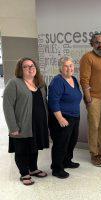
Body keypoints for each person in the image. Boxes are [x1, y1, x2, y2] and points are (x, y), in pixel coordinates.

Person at [3, 57, 49, 185]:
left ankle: (33, 169)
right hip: (22, 125)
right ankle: (24, 173)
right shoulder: (14, 83)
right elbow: (7, 106)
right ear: (20, 69)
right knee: (22, 149)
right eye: (26, 66)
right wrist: (13, 127)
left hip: (38, 124)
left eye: (32, 65)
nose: (30, 68)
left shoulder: (40, 84)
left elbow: (44, 104)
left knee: (34, 147)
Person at [80, 33, 101, 167]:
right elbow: (84, 79)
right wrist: (88, 99)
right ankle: (94, 154)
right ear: (92, 44)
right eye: (97, 42)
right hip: (93, 98)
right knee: (93, 127)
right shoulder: (87, 58)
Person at [48, 56, 82, 178]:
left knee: (71, 141)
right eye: (66, 66)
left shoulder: (74, 79)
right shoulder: (57, 81)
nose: (69, 68)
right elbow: (53, 101)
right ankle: (57, 168)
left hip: (74, 117)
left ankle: (66, 161)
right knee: (61, 143)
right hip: (62, 118)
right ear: (60, 68)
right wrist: (60, 118)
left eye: (71, 65)